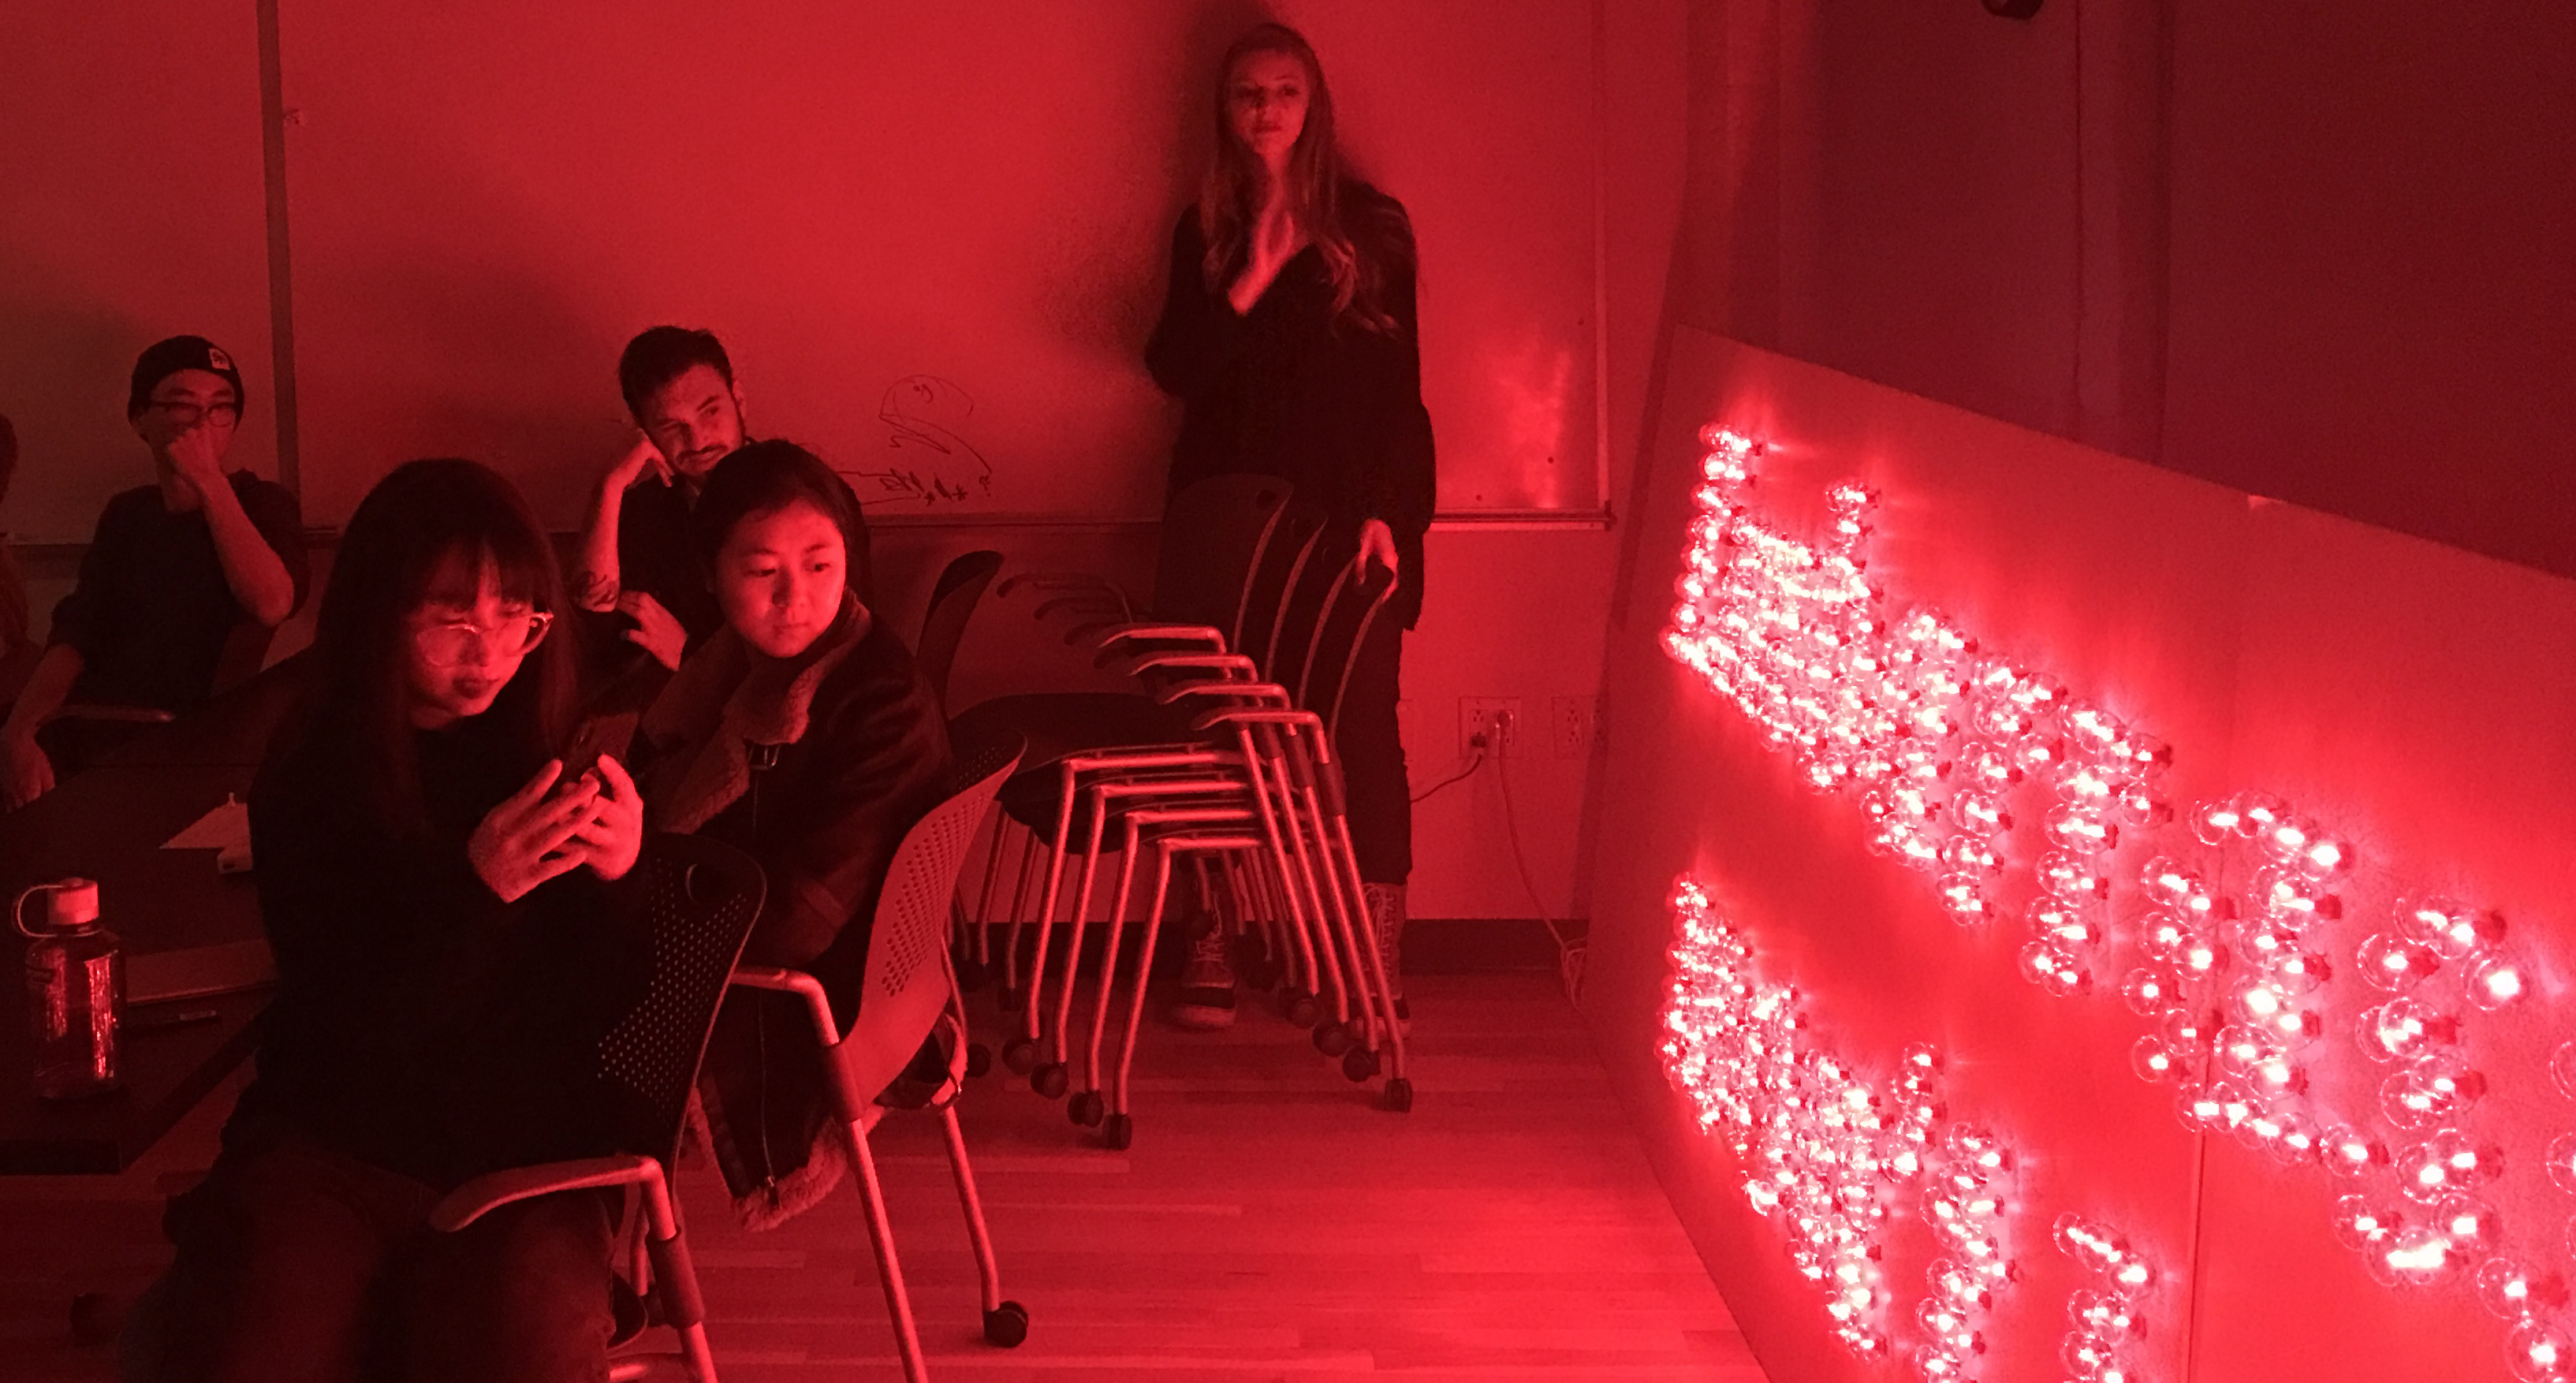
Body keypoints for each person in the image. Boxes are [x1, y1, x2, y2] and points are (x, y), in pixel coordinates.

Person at [132, 459, 649, 1383]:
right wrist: (474, 888)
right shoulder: (315, 765)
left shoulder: (546, 747)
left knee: (516, 1348)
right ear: (379, 610)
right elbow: (345, 1020)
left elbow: (602, 1004)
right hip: (342, 1135)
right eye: (452, 617)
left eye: (518, 617)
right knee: (252, 1351)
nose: (489, 650)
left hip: (523, 1149)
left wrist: (622, 876)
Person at [1145, 23, 1436, 1029]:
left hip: (1339, 524)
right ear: (1224, 113)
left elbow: (1399, 396)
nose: (1266, 111)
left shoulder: (1374, 228)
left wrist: (1389, 517)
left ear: (1314, 106)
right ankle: (1215, 936)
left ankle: (1373, 958)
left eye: (1284, 92)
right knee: (1216, 731)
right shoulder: (1208, 228)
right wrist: (1256, 268)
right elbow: (1176, 372)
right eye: (1246, 95)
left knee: (1360, 734)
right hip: (1222, 517)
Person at [633, 440, 949, 1227]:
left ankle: (606, 1242)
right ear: (710, 575)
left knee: (544, 1005)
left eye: (819, 563)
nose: (795, 597)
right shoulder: (737, 666)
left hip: (819, 1000)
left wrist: (640, 925)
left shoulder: (880, 697)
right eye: (761, 569)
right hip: (809, 960)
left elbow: (799, 919)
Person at [0, 337, 308, 808]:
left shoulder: (262, 504)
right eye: (183, 408)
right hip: (85, 717)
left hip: (163, 733)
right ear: (140, 420)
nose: (203, 425)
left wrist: (207, 481)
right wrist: (21, 730)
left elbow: (272, 603)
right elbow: (77, 634)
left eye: (220, 409)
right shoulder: (128, 514)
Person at [570, 327, 874, 683]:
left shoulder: (810, 497)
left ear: (738, 400)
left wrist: (689, 655)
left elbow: (846, 643)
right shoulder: (644, 513)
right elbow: (593, 628)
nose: (697, 439)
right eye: (671, 426)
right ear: (643, 432)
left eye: (710, 411)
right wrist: (608, 489)